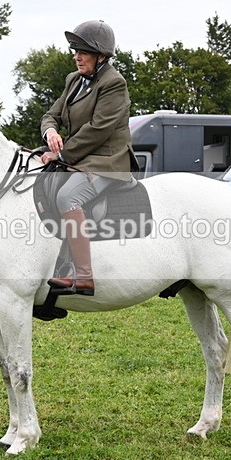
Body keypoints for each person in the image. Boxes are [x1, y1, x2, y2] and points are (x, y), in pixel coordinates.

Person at [40, 19, 137, 296]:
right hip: (78, 159)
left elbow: (98, 130)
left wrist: (62, 153)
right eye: (75, 50)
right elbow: (52, 115)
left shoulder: (114, 83)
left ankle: (83, 276)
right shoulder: (73, 80)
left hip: (108, 161)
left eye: (82, 51)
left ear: (101, 55)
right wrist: (50, 133)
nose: (76, 56)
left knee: (68, 197)